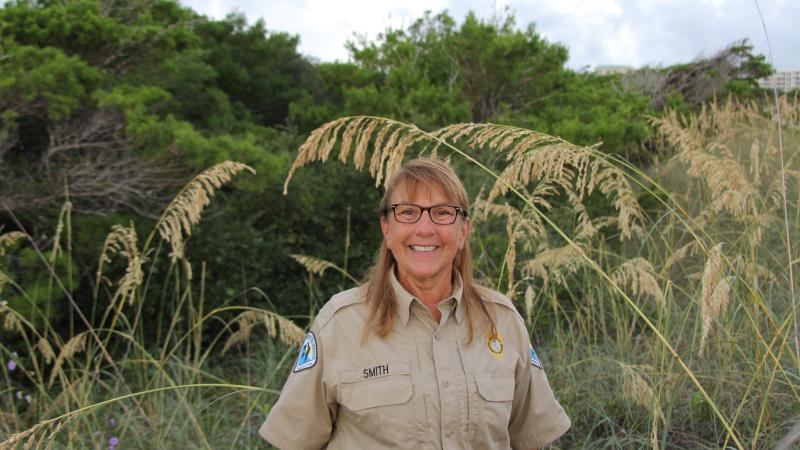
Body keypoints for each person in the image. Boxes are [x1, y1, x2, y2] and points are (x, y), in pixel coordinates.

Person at [259, 158, 570, 449]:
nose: (425, 228)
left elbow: (532, 438)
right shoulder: (340, 324)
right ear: (387, 228)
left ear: (463, 230)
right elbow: (295, 441)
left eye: (442, 212)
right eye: (408, 212)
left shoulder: (502, 321)